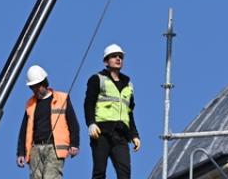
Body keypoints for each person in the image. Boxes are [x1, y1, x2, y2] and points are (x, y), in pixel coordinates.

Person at [84, 44, 140, 179]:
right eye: (114, 56)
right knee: (99, 171)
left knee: (124, 173)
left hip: (121, 134)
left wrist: (134, 135)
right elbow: (89, 103)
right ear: (106, 61)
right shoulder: (97, 79)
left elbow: (129, 112)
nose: (118, 58)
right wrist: (91, 123)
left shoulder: (128, 85)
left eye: (120, 56)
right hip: (101, 132)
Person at [16, 64, 81, 179]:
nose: (35, 90)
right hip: (35, 149)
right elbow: (24, 131)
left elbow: (73, 123)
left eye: (37, 86)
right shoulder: (30, 104)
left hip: (54, 148)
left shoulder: (62, 98)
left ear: (44, 83)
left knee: (51, 177)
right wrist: (21, 153)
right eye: (32, 87)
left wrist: (74, 144)